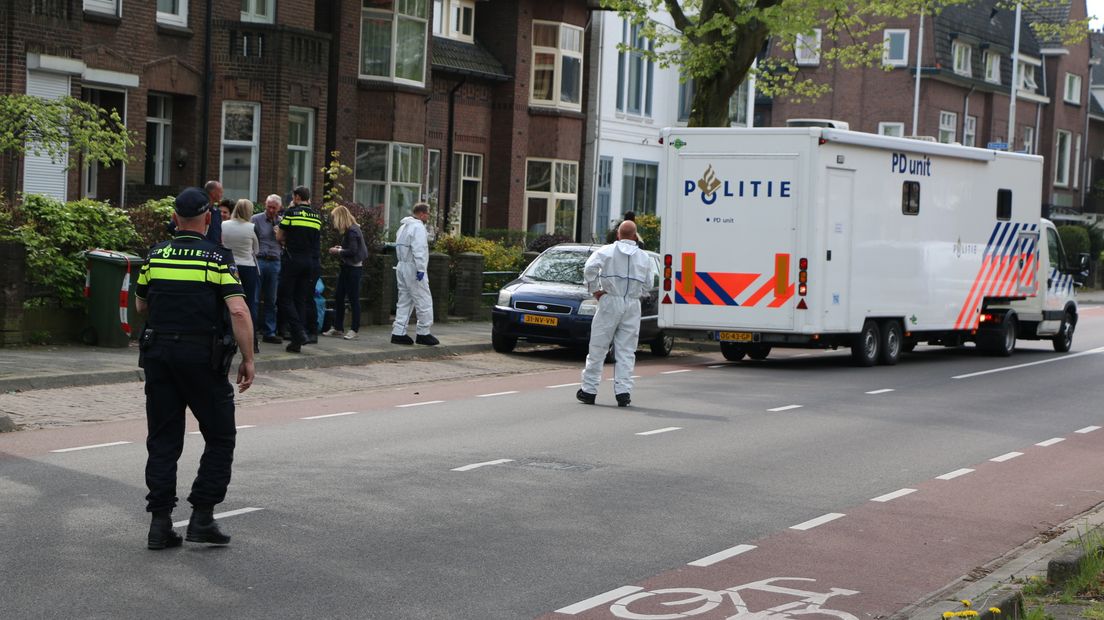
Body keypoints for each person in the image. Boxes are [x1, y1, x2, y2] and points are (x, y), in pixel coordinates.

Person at [135, 186, 255, 550]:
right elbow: (237, 310)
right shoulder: (217, 259)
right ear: (208, 218)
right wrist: (248, 358)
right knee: (219, 436)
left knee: (163, 440)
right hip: (202, 359)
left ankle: (160, 524)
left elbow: (141, 307)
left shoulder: (155, 255)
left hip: (159, 357)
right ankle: (202, 517)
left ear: (174, 219)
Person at [576, 220, 657, 407]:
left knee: (598, 347)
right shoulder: (644, 257)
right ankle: (623, 392)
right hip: (631, 303)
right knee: (627, 350)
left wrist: (595, 289)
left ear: (618, 235)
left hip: (610, 300)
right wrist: (638, 293)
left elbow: (589, 268)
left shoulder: (606, 251)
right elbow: (649, 284)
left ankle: (589, 390)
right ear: (635, 236)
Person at [276, 185, 322, 353]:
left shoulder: (290, 213)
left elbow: (280, 236)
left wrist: (282, 236)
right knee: (300, 299)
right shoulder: (317, 216)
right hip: (310, 262)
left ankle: (299, 332)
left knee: (284, 297)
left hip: (292, 260)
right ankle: (296, 342)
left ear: (296, 197)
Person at [391, 203, 438, 346]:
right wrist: (421, 269)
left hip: (401, 266)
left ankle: (398, 332)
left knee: (404, 300)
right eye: (428, 214)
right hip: (413, 268)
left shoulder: (403, 227)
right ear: (423, 214)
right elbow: (420, 250)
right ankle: (423, 333)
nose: (428, 217)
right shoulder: (418, 227)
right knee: (424, 300)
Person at [325, 205, 369, 340]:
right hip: (348, 267)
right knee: (339, 296)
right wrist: (341, 248)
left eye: (334, 218)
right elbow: (351, 248)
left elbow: (353, 251)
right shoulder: (351, 230)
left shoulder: (352, 231)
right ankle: (338, 327)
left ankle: (354, 329)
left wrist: (338, 251)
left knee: (353, 298)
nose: (334, 222)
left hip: (353, 268)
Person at [222, 199, 260, 352]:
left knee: (227, 303)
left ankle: (228, 337)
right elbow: (256, 250)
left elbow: (222, 244)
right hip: (248, 267)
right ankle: (253, 342)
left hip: (229, 266)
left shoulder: (224, 225)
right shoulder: (252, 227)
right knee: (249, 304)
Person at [251, 195, 283, 344]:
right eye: (268, 206)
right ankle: (252, 331)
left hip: (275, 261)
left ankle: (269, 332)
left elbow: (287, 242)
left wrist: (281, 235)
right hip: (259, 260)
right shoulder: (255, 219)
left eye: (274, 208)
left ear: (279, 208)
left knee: (271, 299)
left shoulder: (282, 222)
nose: (270, 210)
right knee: (255, 298)